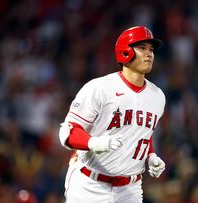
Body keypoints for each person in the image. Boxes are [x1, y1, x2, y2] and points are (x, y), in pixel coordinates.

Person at [59, 26, 166, 203]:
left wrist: (150, 156)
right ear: (124, 52)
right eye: (142, 48)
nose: (149, 54)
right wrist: (92, 142)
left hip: (129, 189)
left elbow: (142, 133)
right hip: (89, 185)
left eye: (151, 49)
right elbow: (68, 132)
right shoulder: (100, 88)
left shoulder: (157, 96)